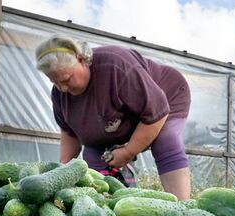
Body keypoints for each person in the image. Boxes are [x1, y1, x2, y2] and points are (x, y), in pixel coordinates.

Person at [35, 35, 192, 200]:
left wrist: (128, 151)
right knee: (94, 157)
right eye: (55, 82)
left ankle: (182, 206)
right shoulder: (60, 96)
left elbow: (156, 113)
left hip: (165, 98)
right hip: (116, 121)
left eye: (66, 79)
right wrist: (61, 174)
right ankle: (113, 208)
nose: (63, 88)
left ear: (80, 59)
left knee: (164, 139)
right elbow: (69, 134)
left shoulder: (116, 65)